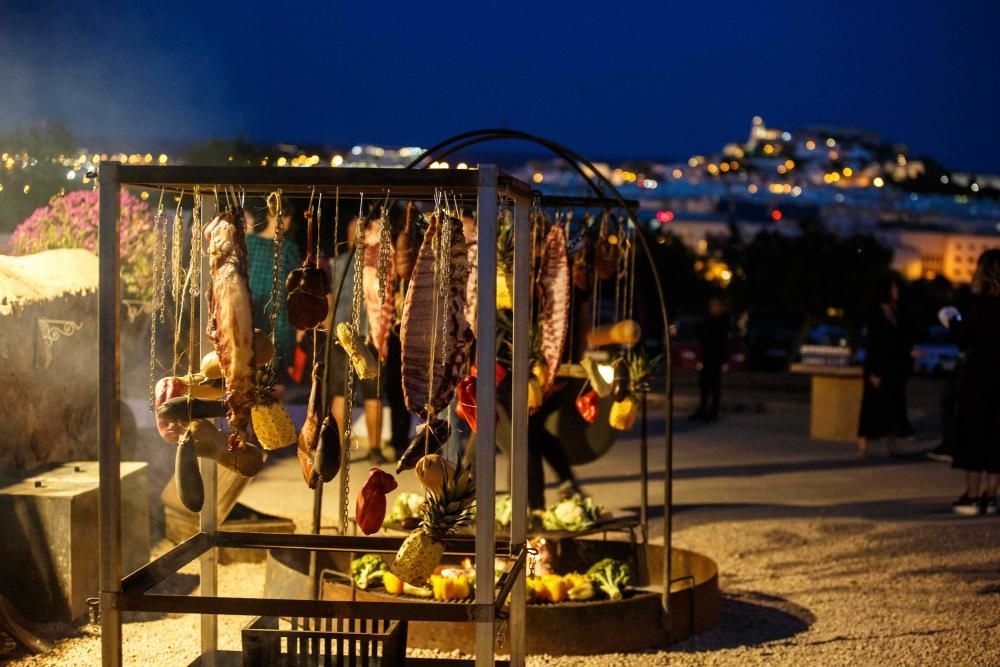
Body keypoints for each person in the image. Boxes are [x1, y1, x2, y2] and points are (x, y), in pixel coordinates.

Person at [942, 250, 1000, 515]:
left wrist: (950, 319)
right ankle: (992, 494)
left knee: (973, 432)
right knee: (997, 435)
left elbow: (962, 335)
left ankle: (972, 496)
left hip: (979, 375)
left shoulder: (978, 304)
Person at [328, 215, 389, 464]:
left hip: (342, 334)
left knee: (341, 393)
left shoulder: (337, 264)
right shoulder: (379, 263)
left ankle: (341, 448)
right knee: (373, 395)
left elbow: (330, 301)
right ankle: (375, 450)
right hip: (370, 334)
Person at [245, 203, 301, 387]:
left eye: (286, 217)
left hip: (280, 318)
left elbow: (295, 285)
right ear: (270, 214)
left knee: (275, 374)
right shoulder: (250, 242)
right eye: (280, 215)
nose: (283, 221)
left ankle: (274, 414)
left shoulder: (289, 248)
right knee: (250, 368)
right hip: (254, 311)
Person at [857, 274, 913, 457]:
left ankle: (892, 443)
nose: (897, 291)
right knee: (871, 406)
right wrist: (873, 371)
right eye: (894, 288)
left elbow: (902, 338)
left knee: (894, 406)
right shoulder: (875, 312)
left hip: (895, 367)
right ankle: (863, 444)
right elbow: (873, 343)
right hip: (878, 366)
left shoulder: (897, 310)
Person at [690, 297, 729, 421]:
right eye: (712, 305)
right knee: (704, 385)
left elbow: (723, 342)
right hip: (706, 356)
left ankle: (713, 412)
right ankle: (702, 409)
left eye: (717, 305)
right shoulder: (707, 319)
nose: (714, 308)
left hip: (716, 358)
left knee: (714, 385)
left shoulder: (723, 321)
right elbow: (699, 332)